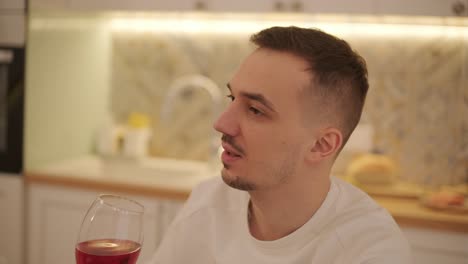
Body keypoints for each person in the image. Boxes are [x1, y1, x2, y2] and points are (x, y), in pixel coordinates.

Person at [148, 26, 412, 264]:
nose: (222, 123)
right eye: (232, 97)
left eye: (255, 110)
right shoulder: (208, 202)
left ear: (321, 145)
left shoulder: (370, 250)